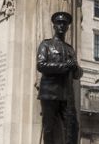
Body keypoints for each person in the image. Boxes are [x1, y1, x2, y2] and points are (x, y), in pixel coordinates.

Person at [37, 11, 80, 144]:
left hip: (67, 95)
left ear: (67, 27)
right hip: (49, 92)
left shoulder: (70, 49)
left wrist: (75, 68)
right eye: (59, 23)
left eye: (64, 23)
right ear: (54, 26)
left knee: (73, 127)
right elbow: (41, 65)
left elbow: (78, 74)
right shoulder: (46, 45)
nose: (61, 25)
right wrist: (65, 66)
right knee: (49, 128)